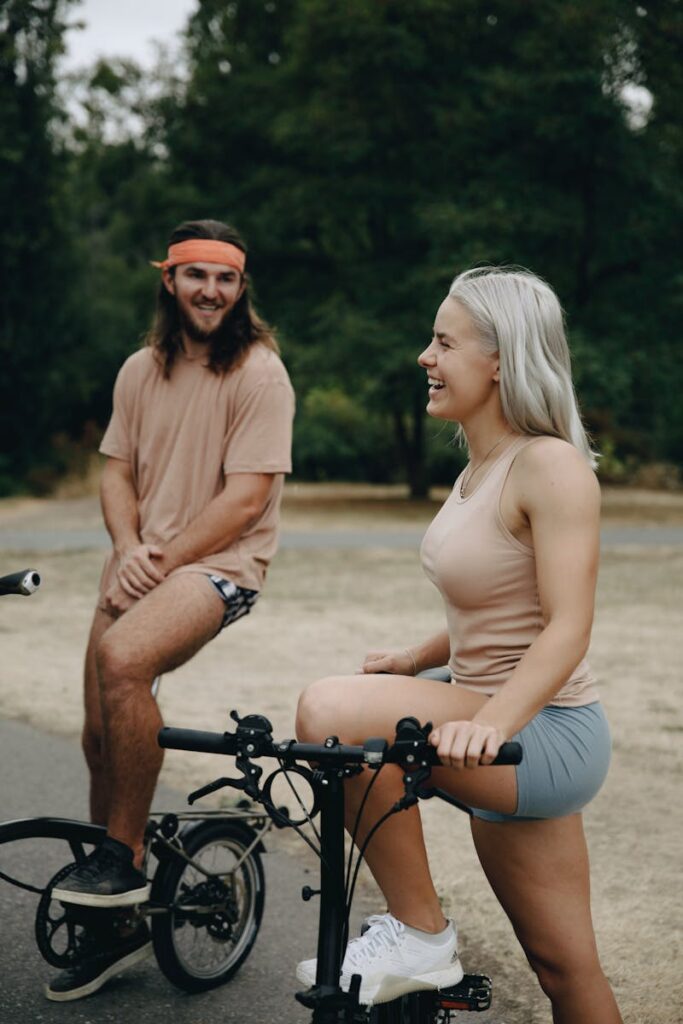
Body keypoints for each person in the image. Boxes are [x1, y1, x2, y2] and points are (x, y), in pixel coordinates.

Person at [295, 267, 623, 1021]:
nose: (424, 357)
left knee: (329, 713)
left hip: (539, 732)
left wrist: (491, 723)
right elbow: (498, 602)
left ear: (500, 358)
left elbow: (567, 625)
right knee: (565, 969)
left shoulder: (550, 465)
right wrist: (413, 661)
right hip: (484, 721)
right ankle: (420, 936)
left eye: (443, 342)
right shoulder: (478, 469)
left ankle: (418, 934)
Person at [45, 219, 295, 1001]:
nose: (211, 292)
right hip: (142, 563)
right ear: (169, 280)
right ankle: (114, 919)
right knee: (97, 734)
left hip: (219, 566)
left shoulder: (260, 374)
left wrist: (162, 559)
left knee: (125, 661)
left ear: (240, 287)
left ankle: (119, 861)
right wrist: (127, 548)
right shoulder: (139, 369)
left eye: (225, 279)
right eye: (196, 276)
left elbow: (247, 497)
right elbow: (116, 472)